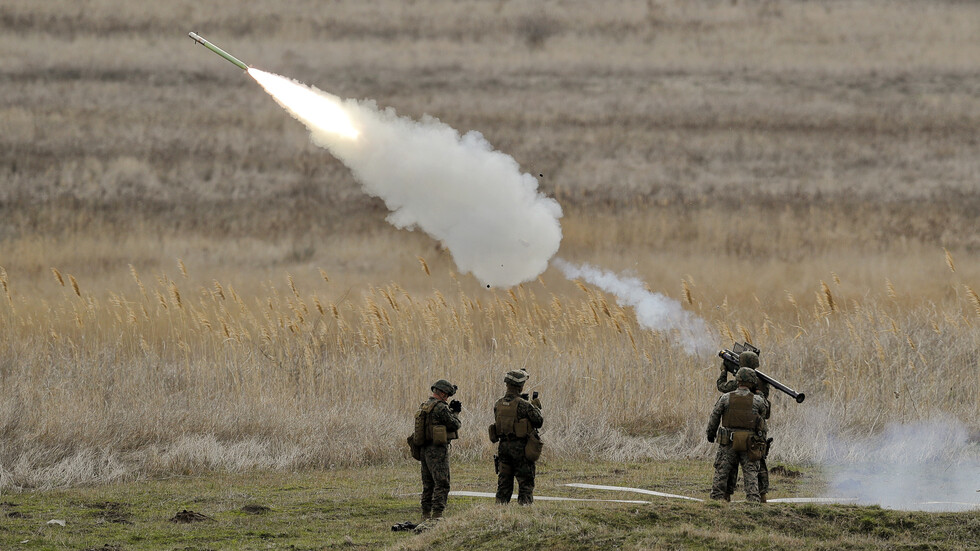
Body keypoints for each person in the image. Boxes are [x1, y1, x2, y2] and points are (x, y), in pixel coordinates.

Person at [716, 350, 772, 502]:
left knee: (728, 466)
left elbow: (721, 386)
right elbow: (765, 410)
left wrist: (723, 371)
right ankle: (761, 496)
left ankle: (725, 495)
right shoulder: (763, 381)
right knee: (756, 465)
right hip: (755, 430)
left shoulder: (738, 381)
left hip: (735, 430)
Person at [490, 369, 543, 505]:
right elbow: (538, 422)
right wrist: (535, 406)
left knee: (504, 483)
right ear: (520, 387)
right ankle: (524, 510)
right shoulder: (524, 405)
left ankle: (499, 510)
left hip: (503, 447)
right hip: (521, 448)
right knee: (525, 483)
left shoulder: (498, 404)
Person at [416, 379, 461, 521]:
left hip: (424, 449)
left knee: (428, 483)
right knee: (442, 482)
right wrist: (456, 413)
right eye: (447, 395)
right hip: (437, 450)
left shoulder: (425, 405)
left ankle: (425, 514)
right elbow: (454, 424)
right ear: (441, 393)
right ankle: (437, 514)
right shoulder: (440, 407)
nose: (447, 398)